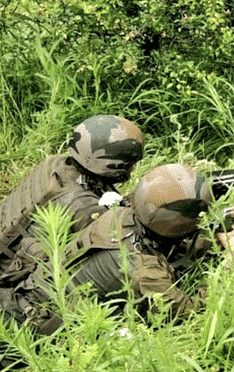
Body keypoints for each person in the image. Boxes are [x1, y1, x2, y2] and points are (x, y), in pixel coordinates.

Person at [0, 163, 234, 340]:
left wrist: (217, 239)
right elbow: (193, 314)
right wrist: (232, 262)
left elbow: (164, 240)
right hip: (24, 331)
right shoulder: (144, 273)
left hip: (21, 293)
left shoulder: (119, 216)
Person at [0, 115, 145, 274]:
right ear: (112, 166)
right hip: (11, 270)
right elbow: (117, 246)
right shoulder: (83, 207)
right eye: (130, 164)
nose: (132, 169)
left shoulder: (56, 163)